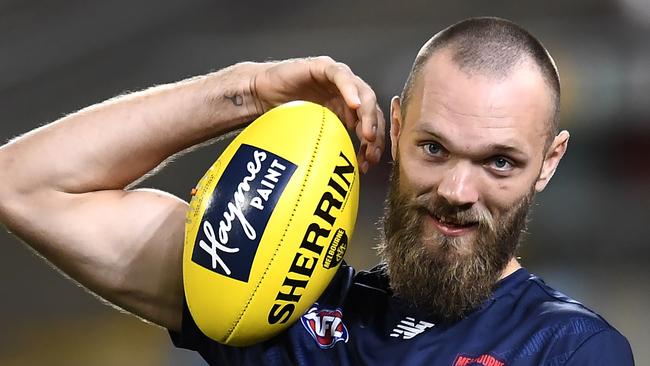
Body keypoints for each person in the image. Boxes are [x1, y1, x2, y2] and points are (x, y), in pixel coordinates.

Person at [0, 16, 633, 366]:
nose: (457, 190)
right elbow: (24, 184)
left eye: (499, 162)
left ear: (549, 163)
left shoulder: (569, 348)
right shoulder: (276, 304)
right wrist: (246, 91)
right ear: (395, 127)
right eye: (433, 149)